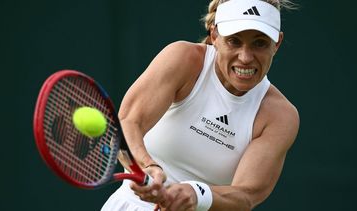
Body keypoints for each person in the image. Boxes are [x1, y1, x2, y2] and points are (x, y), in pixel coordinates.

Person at [102, 0, 299, 210]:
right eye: (234, 41)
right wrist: (147, 166)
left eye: (259, 43)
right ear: (215, 36)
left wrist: (198, 194)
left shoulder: (280, 116)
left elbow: (246, 195)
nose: (245, 57)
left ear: (276, 43)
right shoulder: (183, 59)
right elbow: (128, 122)